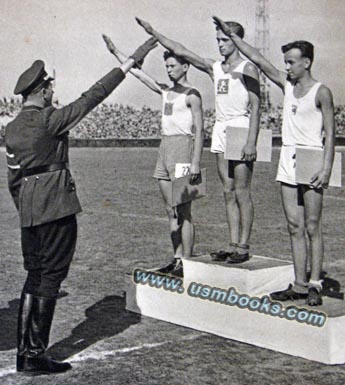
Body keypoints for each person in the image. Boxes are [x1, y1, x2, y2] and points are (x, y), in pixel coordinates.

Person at [5, 37, 157, 375]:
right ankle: (34, 356)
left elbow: (13, 180)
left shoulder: (12, 128)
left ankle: (25, 354)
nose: (52, 93)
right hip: (55, 208)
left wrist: (26, 207)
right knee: (50, 279)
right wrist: (128, 64)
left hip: (29, 212)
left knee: (34, 277)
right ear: (43, 91)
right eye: (50, 88)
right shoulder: (49, 119)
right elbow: (93, 96)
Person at [213, 16, 335, 306]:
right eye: (285, 62)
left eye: (292, 62)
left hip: (312, 156)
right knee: (294, 225)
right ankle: (300, 284)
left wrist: (327, 167)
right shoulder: (287, 86)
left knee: (312, 225)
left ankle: (315, 282)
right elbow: (259, 58)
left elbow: (330, 134)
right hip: (288, 157)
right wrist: (235, 36)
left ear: (307, 62)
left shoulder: (322, 92)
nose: (286, 67)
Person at [136, 17, 260, 264]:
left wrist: (251, 141)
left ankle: (244, 246)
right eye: (218, 40)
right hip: (222, 129)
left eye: (225, 40)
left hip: (240, 127)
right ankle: (233, 244)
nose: (220, 45)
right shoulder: (216, 67)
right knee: (227, 190)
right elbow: (183, 51)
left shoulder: (247, 68)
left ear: (236, 41)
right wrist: (154, 31)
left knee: (242, 191)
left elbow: (256, 107)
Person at [103, 35, 204, 277]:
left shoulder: (192, 95)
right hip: (165, 149)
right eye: (166, 66)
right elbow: (137, 73)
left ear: (185, 66)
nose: (169, 70)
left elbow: (200, 130)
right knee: (170, 211)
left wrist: (196, 162)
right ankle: (177, 258)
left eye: (172, 66)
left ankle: (188, 263)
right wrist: (116, 51)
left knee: (184, 211)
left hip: (183, 150)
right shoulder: (165, 91)